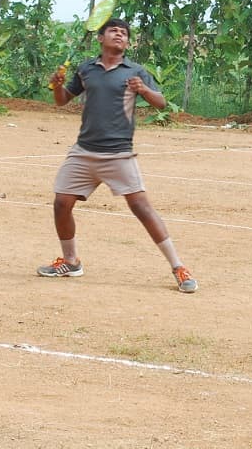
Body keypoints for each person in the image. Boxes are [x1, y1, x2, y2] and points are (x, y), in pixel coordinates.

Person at [38, 18, 197, 293]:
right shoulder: (86, 69)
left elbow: (161, 104)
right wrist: (57, 86)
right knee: (61, 203)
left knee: (141, 208)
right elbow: (63, 100)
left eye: (124, 33)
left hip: (118, 154)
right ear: (101, 38)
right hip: (84, 151)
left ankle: (178, 267)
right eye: (113, 31)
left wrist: (143, 89)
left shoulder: (135, 71)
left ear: (128, 42)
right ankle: (71, 261)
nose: (119, 35)